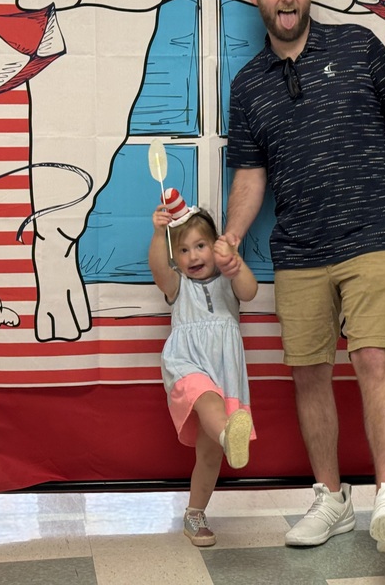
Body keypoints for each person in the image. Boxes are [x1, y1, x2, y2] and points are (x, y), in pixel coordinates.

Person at [217, 0, 385, 552]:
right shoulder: (248, 84)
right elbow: (250, 176)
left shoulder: (360, 45)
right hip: (298, 251)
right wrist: (232, 236)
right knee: (309, 374)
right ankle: (331, 498)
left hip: (369, 238)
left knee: (372, 360)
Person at [149, 195, 258, 548]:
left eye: (201, 246)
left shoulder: (228, 280)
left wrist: (236, 265)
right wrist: (157, 235)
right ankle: (230, 436)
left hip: (224, 367)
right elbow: (158, 270)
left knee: (208, 455)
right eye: (183, 250)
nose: (193, 256)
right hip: (186, 362)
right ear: (175, 258)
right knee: (205, 397)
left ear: (215, 247)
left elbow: (251, 292)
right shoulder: (176, 286)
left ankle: (195, 512)